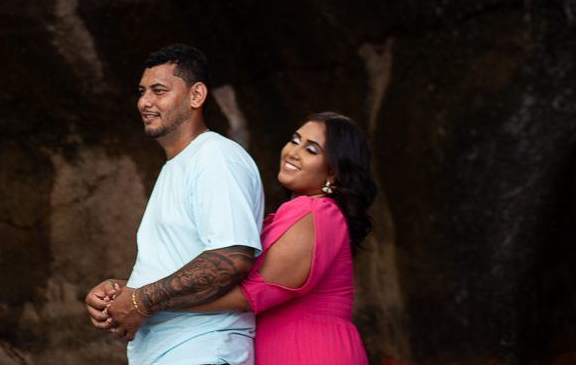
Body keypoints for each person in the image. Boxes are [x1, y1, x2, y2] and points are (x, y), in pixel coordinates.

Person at [84, 44, 265, 365]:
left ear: (197, 95)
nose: (144, 102)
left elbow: (231, 258)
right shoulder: (177, 165)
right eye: (142, 92)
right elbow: (181, 266)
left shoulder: (215, 157)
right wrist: (123, 292)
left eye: (159, 91)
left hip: (204, 350)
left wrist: (141, 300)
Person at [171, 112, 377, 365]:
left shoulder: (315, 212)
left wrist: (151, 301)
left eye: (311, 150)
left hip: (310, 352)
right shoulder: (299, 215)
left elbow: (250, 295)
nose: (293, 152)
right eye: (294, 140)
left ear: (333, 173)